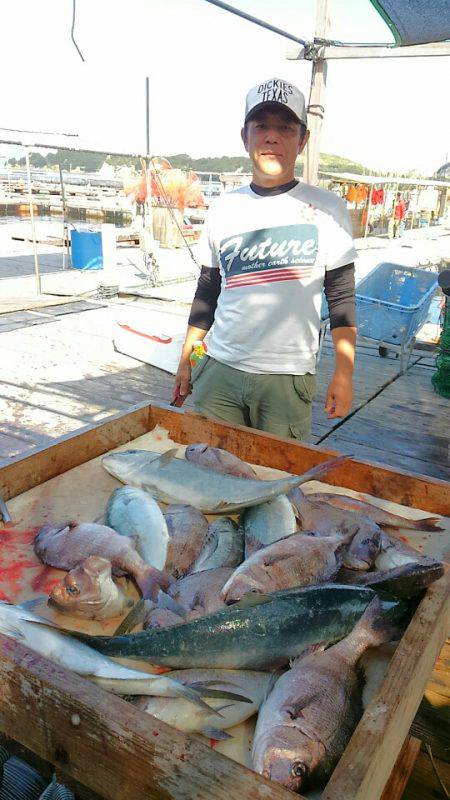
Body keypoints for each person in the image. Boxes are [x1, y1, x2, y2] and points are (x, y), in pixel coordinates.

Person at [172, 78, 357, 441]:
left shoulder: (329, 208)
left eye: (286, 128)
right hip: (218, 370)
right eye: (262, 126)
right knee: (210, 473)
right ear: (245, 137)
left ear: (302, 140)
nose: (273, 137)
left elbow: (342, 299)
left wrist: (344, 373)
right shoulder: (224, 207)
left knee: (276, 483)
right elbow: (208, 291)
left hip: (286, 380)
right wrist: (185, 360)